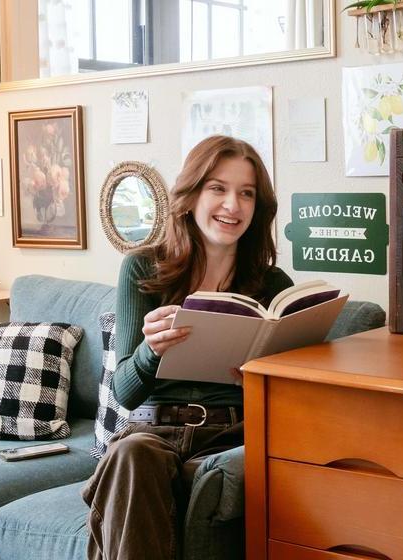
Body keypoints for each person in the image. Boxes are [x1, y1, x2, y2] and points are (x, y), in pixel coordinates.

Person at [83, 135, 292, 559]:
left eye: (246, 193)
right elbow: (124, 392)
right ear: (192, 193)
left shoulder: (273, 286)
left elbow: (290, 403)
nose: (233, 205)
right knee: (132, 455)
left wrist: (260, 377)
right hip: (154, 431)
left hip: (233, 433)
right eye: (218, 188)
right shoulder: (143, 268)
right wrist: (150, 350)